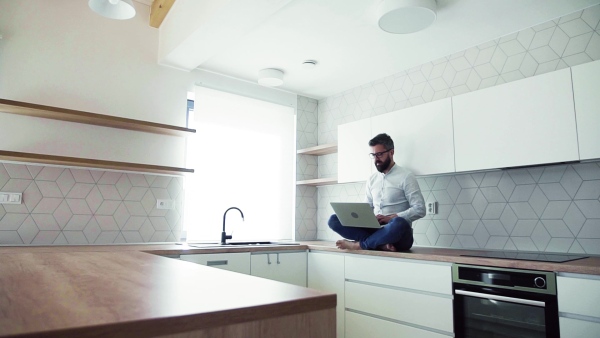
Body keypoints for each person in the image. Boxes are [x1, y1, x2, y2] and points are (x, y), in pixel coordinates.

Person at [328, 133, 425, 252]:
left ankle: (361, 245)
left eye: (379, 154)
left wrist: (391, 218)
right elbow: (367, 208)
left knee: (399, 223)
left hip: (397, 234)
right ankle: (378, 244)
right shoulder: (371, 179)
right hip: (375, 230)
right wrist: (367, 218)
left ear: (391, 152)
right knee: (333, 219)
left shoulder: (406, 176)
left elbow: (420, 209)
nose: (376, 159)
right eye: (373, 155)